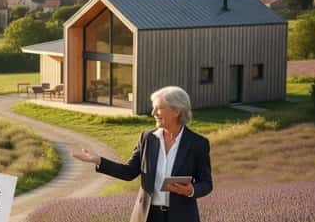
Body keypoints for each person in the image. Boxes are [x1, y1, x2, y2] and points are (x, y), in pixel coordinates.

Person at [73, 86, 213, 222]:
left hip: (182, 217)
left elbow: (206, 183)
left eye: (159, 108)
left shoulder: (197, 144)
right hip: (147, 216)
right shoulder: (147, 138)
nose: (153, 113)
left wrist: (191, 190)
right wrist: (98, 160)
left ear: (176, 111)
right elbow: (129, 172)